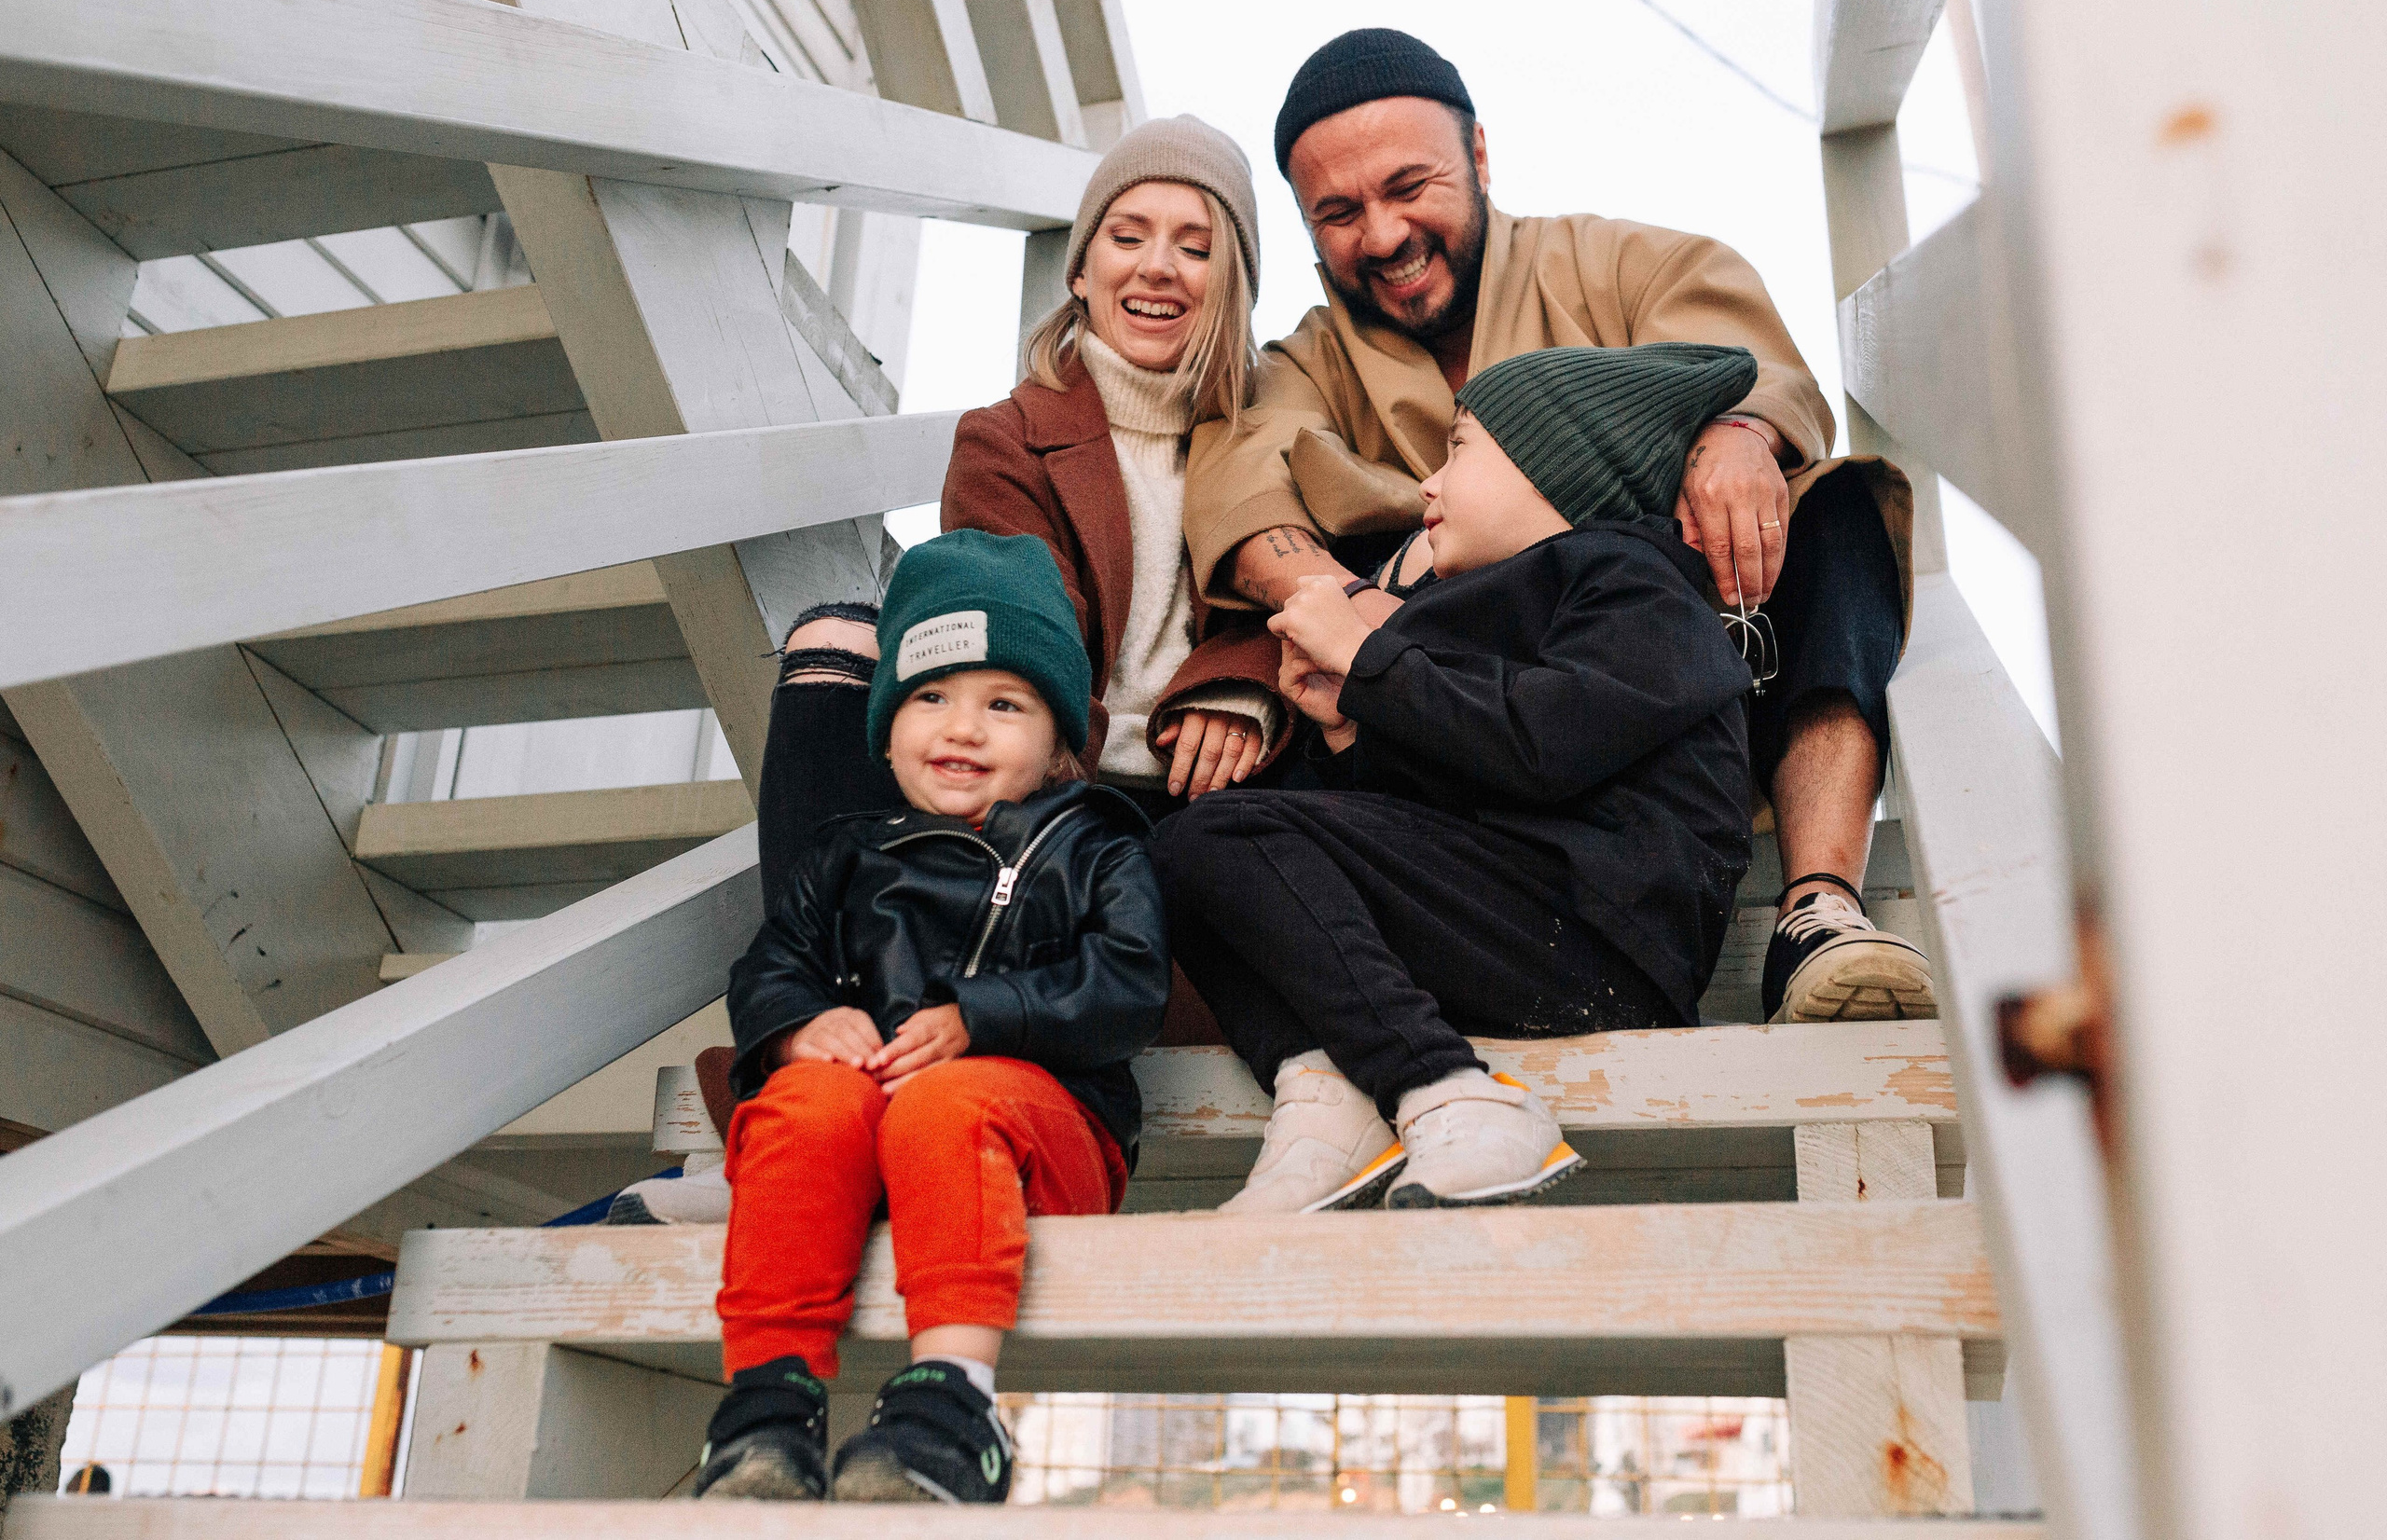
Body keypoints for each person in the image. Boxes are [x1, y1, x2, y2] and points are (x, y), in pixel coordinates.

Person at [1185, 29, 1935, 1026]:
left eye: (1410, 185)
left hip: (1668, 704)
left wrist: (1735, 433)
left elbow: (1749, 361)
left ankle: (1818, 907)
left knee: (1837, 513)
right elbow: (1241, 480)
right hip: (1463, 736)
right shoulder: (1301, 363)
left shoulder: (1613, 262)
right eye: (1338, 211)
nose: (1382, 233)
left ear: (1480, 157)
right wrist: (1347, 602)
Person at [608, 115, 1276, 1227]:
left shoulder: (1274, 428)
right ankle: (804, 1078)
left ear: (1233, 278)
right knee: (839, 640)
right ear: (1083, 265)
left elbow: (1313, 577)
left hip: (1178, 855)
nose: (1158, 266)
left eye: (1196, 244)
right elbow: (1017, 652)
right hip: (1031, 800)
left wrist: (1240, 669)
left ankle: (855, 1120)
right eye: (1128, 234)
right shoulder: (1008, 439)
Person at [1153, 344, 1756, 1214]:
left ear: (1558, 465)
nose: (1427, 486)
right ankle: (1321, 1089)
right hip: (1517, 909)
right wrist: (1354, 727)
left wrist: (1370, 660)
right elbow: (1456, 788)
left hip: (1605, 936)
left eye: (1460, 450)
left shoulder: (1640, 581)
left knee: (1227, 835)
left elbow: (1543, 743)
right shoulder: (1490, 601)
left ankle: (1445, 1087)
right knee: (1185, 856)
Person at [694, 530, 1171, 1505]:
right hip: (866, 1132)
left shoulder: (1096, 847)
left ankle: (953, 1406)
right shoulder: (843, 851)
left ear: (1058, 739)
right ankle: (767, 1406)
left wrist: (982, 1015)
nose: (962, 728)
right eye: (930, 698)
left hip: (1041, 1136)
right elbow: (770, 964)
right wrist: (796, 1026)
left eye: (1004, 704)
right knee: (802, 1104)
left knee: (944, 1105)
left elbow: (1128, 985)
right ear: (886, 723)